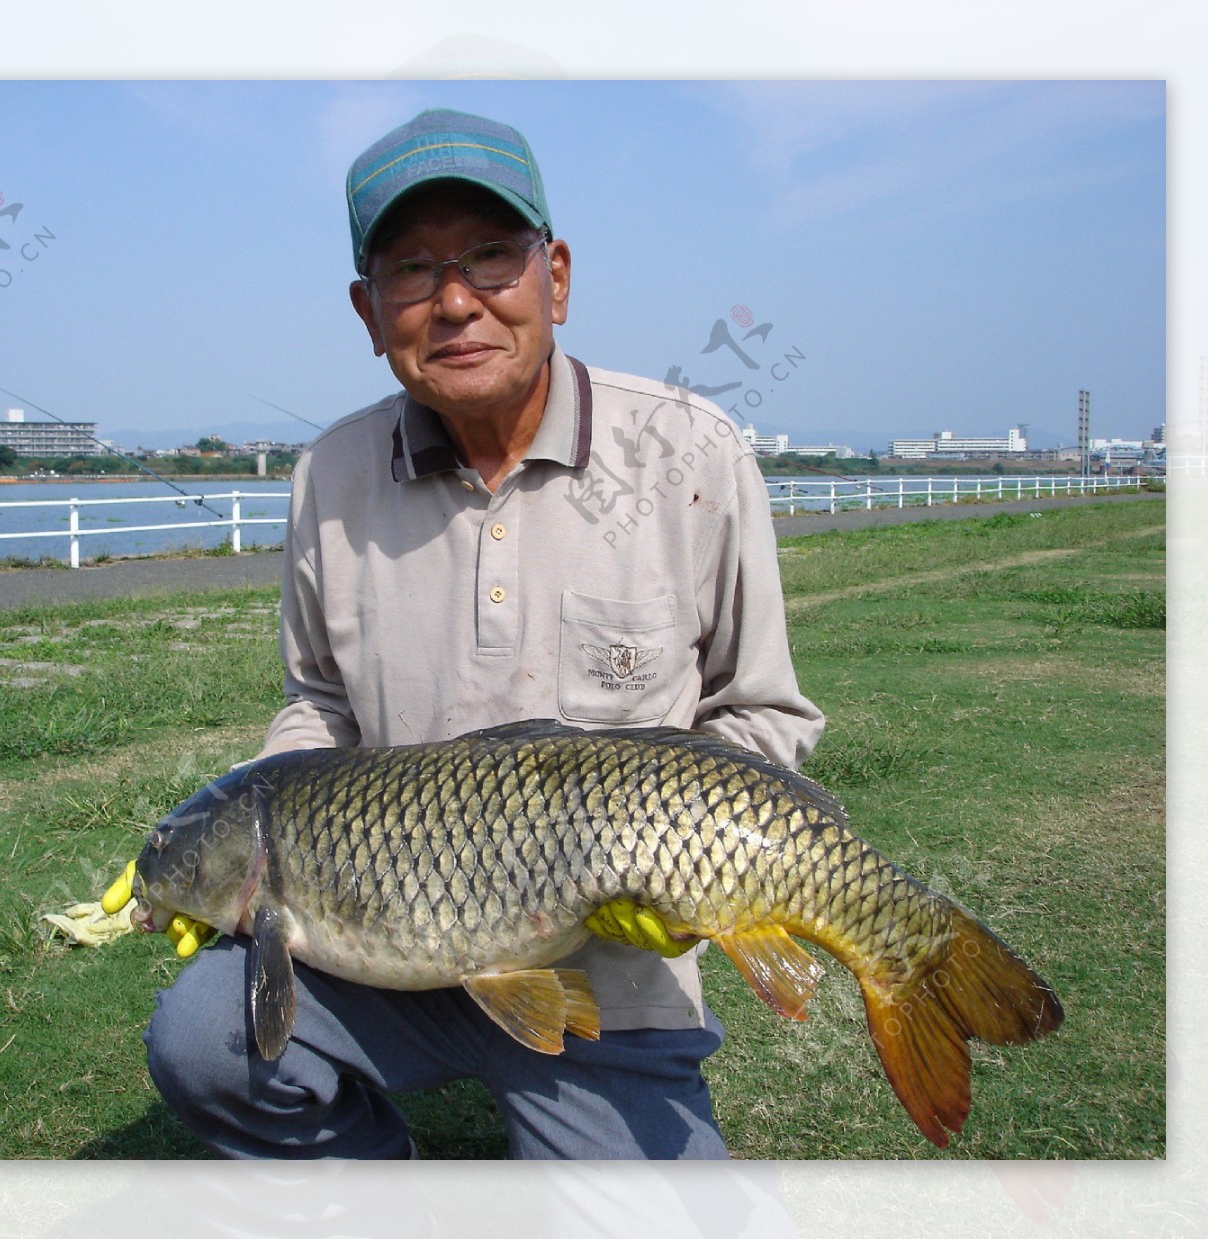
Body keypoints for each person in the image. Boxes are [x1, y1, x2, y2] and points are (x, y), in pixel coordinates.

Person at [110, 108, 825, 1159]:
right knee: (206, 1041)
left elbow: (761, 709)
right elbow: (318, 700)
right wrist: (259, 835)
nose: (454, 301)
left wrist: (681, 877)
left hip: (608, 978)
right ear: (367, 308)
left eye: (492, 257)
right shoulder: (331, 477)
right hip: (375, 954)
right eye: (412, 269)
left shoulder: (692, 452)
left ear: (557, 277)